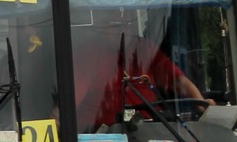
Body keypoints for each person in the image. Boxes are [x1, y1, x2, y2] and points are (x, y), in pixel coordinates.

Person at [73, 8, 210, 133]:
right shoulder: (89, 54)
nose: (123, 30)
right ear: (103, 26)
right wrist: (54, 123)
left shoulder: (144, 48)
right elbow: (71, 99)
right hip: (104, 138)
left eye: (127, 24)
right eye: (116, 25)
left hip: (149, 132)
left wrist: (203, 105)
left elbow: (178, 81)